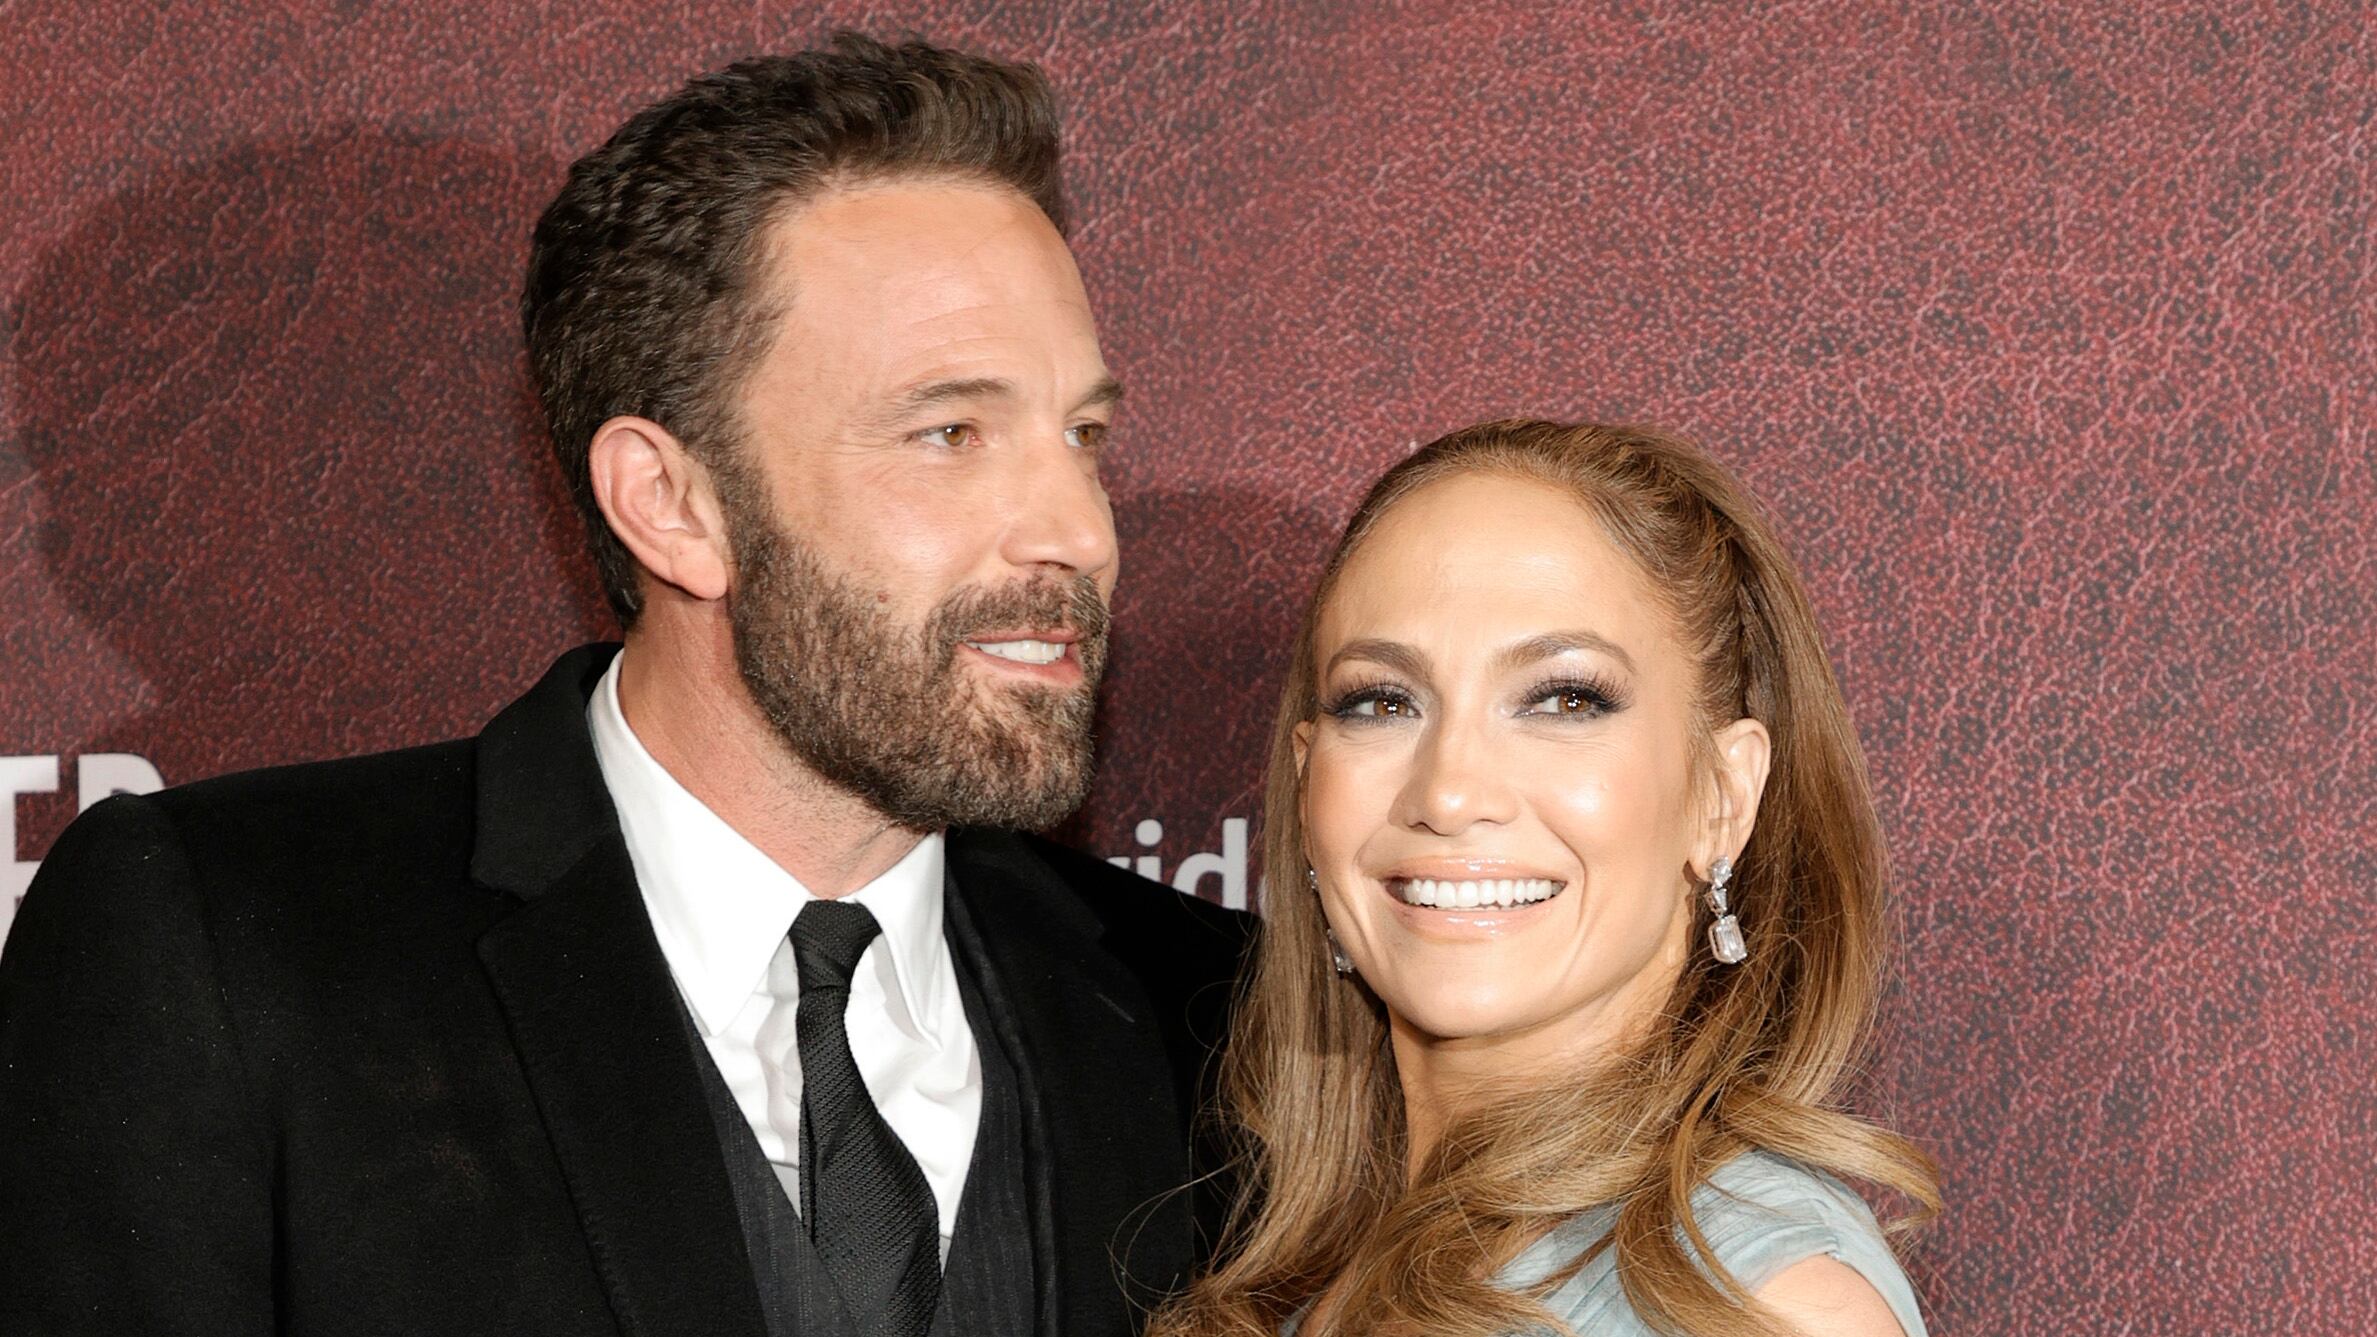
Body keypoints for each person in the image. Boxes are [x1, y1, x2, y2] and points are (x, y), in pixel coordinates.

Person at [0, 35, 1250, 1337]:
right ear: (671, 504)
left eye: (1082, 435)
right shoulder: (233, 945)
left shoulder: (1204, 1008)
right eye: (949, 433)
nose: (1081, 530)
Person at [1151, 420, 1940, 1337]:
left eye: (1565, 700)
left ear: (1722, 794)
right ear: (1304, 784)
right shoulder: (1299, 1280)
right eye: (1381, 700)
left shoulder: (1757, 1302)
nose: (1446, 791)